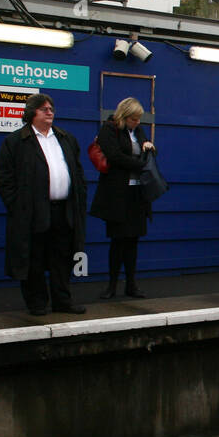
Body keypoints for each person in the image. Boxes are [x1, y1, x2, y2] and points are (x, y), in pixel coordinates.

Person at [0, 93, 88, 315]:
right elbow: (5, 179)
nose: (49, 112)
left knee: (63, 259)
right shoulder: (16, 141)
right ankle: (37, 303)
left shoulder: (66, 138)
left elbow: (77, 172)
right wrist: (17, 206)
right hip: (33, 212)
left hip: (63, 210)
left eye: (51, 108)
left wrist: (79, 198)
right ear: (31, 113)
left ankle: (62, 301)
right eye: (43, 109)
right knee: (34, 259)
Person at [89, 97, 154, 299]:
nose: (137, 122)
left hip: (137, 193)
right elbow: (114, 156)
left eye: (138, 119)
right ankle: (112, 285)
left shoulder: (139, 130)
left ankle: (131, 285)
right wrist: (139, 164)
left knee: (133, 241)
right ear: (124, 116)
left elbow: (148, 152)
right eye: (133, 119)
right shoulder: (109, 129)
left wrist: (150, 147)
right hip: (117, 194)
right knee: (118, 241)